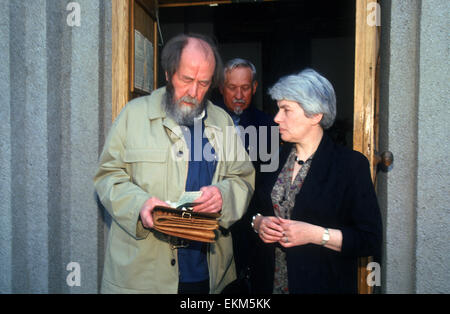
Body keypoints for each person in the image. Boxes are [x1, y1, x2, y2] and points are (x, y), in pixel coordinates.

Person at [94, 34, 255, 294]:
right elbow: (108, 176)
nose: (194, 92)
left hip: (208, 276)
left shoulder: (222, 122)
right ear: (169, 74)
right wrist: (139, 205)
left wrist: (223, 196)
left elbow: (242, 178)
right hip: (143, 277)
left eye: (203, 83)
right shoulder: (134, 115)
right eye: (187, 80)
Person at [249, 69, 382, 294]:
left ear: (315, 115)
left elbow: (369, 239)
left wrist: (315, 235)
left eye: (286, 110)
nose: (276, 118)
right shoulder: (273, 159)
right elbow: (252, 210)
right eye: (278, 108)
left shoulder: (349, 165)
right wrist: (258, 223)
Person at [215, 59, 278, 288]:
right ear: (221, 88)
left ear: (254, 87)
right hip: (210, 221)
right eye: (232, 87)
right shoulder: (201, 122)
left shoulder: (269, 126)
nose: (239, 94)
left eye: (245, 87)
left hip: (251, 225)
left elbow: (268, 182)